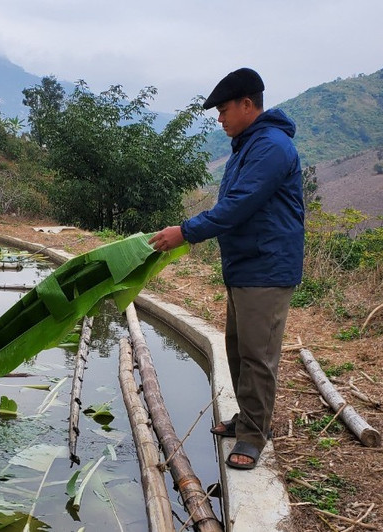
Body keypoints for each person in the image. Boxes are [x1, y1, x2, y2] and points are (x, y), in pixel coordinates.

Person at [149, 67, 304, 470]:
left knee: (258, 355)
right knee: (238, 349)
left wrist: (185, 232)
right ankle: (247, 419)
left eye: (223, 110)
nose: (220, 119)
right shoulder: (248, 144)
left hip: (267, 267)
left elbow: (236, 207)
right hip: (246, 265)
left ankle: (255, 435)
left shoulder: (270, 147)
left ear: (247, 105)